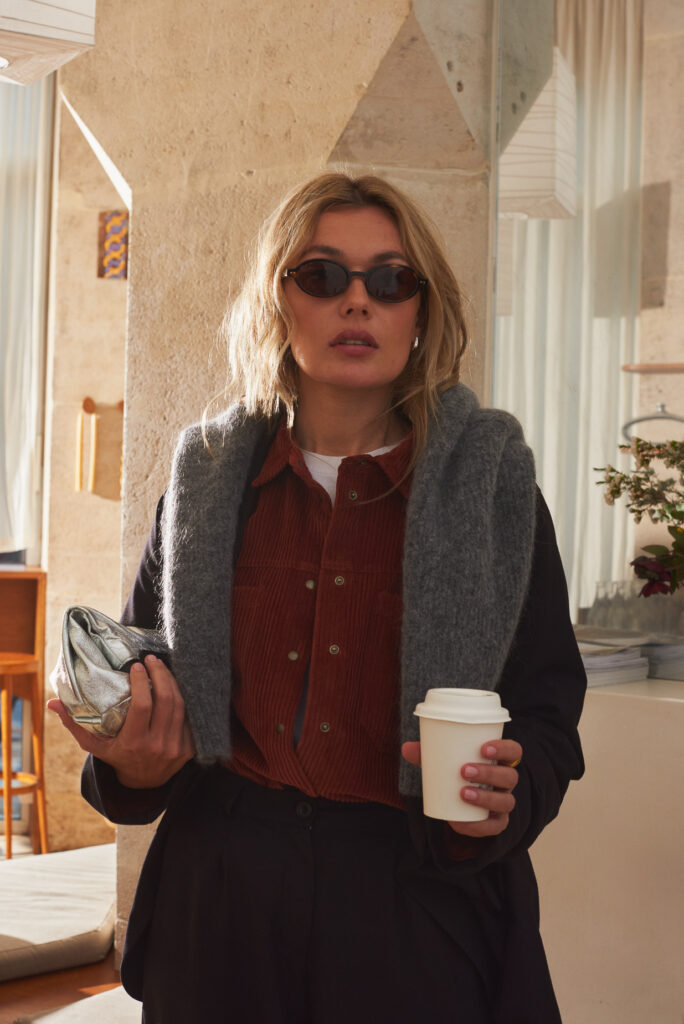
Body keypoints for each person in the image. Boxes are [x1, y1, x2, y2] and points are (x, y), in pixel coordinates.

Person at [48, 172, 586, 1024]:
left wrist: (506, 802)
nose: (358, 301)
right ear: (279, 300)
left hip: (415, 908)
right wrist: (130, 762)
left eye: (391, 280)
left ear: (421, 312)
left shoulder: (493, 489)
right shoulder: (206, 482)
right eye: (323, 275)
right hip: (220, 905)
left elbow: (549, 713)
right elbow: (145, 686)